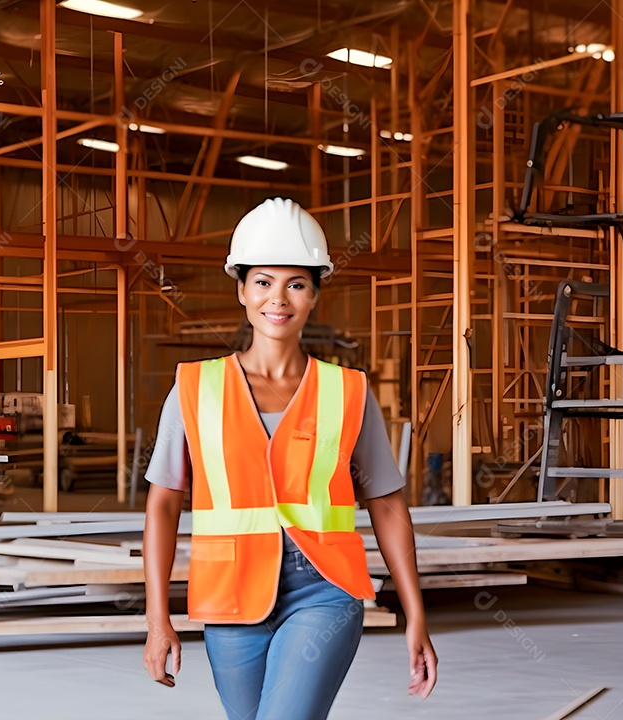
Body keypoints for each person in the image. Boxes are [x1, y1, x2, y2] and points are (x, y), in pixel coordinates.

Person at [142, 198, 437, 720]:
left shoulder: (346, 391)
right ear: (241, 289)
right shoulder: (195, 387)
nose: (277, 298)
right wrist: (157, 618)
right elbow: (163, 504)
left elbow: (387, 504)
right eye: (263, 282)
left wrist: (415, 613)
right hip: (230, 595)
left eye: (296, 284)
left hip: (322, 588)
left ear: (315, 295)